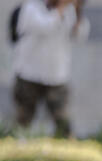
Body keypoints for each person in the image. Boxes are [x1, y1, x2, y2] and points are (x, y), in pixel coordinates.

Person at [12, 0, 89, 138]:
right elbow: (45, 26)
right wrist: (62, 8)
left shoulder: (69, 11)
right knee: (23, 118)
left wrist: (77, 10)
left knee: (62, 119)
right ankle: (13, 144)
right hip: (29, 73)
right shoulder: (31, 7)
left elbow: (80, 35)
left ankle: (67, 145)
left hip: (56, 75)